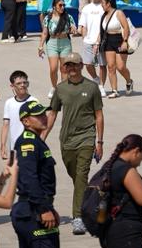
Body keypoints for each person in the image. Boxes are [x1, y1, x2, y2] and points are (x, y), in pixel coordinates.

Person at [12, 100, 76, 248]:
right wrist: (43, 209)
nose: (44, 118)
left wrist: (49, 207)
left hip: (30, 209)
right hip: (33, 212)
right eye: (37, 116)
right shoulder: (29, 143)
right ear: (26, 121)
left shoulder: (35, 141)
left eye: (43, 114)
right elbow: (29, 179)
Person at [45, 53, 104, 236]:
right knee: (78, 178)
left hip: (86, 138)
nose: (71, 68)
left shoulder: (92, 87)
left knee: (81, 175)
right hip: (67, 141)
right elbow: (53, 114)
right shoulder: (60, 89)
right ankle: (95, 197)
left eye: (75, 65)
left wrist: (99, 141)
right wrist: (41, 137)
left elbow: (99, 116)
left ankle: (78, 217)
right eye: (68, 65)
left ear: (81, 66)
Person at [99, 0, 133, 99]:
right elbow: (102, 31)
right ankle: (114, 90)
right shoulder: (104, 15)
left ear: (108, 4)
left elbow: (126, 27)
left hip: (119, 40)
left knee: (121, 66)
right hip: (108, 41)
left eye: (103, 3)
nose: (101, 5)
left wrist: (125, 41)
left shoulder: (118, 13)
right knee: (111, 67)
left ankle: (129, 81)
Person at [39, 0, 75, 95]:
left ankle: (63, 89)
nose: (62, 7)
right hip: (52, 44)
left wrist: (74, 29)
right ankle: (54, 87)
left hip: (65, 44)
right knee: (53, 68)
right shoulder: (48, 18)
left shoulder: (68, 17)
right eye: (60, 5)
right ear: (54, 6)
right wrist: (40, 46)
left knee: (64, 69)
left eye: (64, 5)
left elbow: (73, 27)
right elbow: (45, 33)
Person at [0, 70, 34, 152]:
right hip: (14, 147)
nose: (22, 85)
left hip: (30, 146)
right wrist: (3, 145)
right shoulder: (9, 102)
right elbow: (5, 125)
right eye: (19, 83)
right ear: (12, 86)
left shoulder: (33, 101)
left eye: (25, 83)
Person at [76, 0, 105, 83]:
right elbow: (83, 25)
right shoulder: (87, 8)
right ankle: (96, 79)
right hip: (88, 41)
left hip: (102, 40)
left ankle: (101, 87)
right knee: (88, 64)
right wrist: (84, 38)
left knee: (102, 65)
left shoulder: (104, 7)